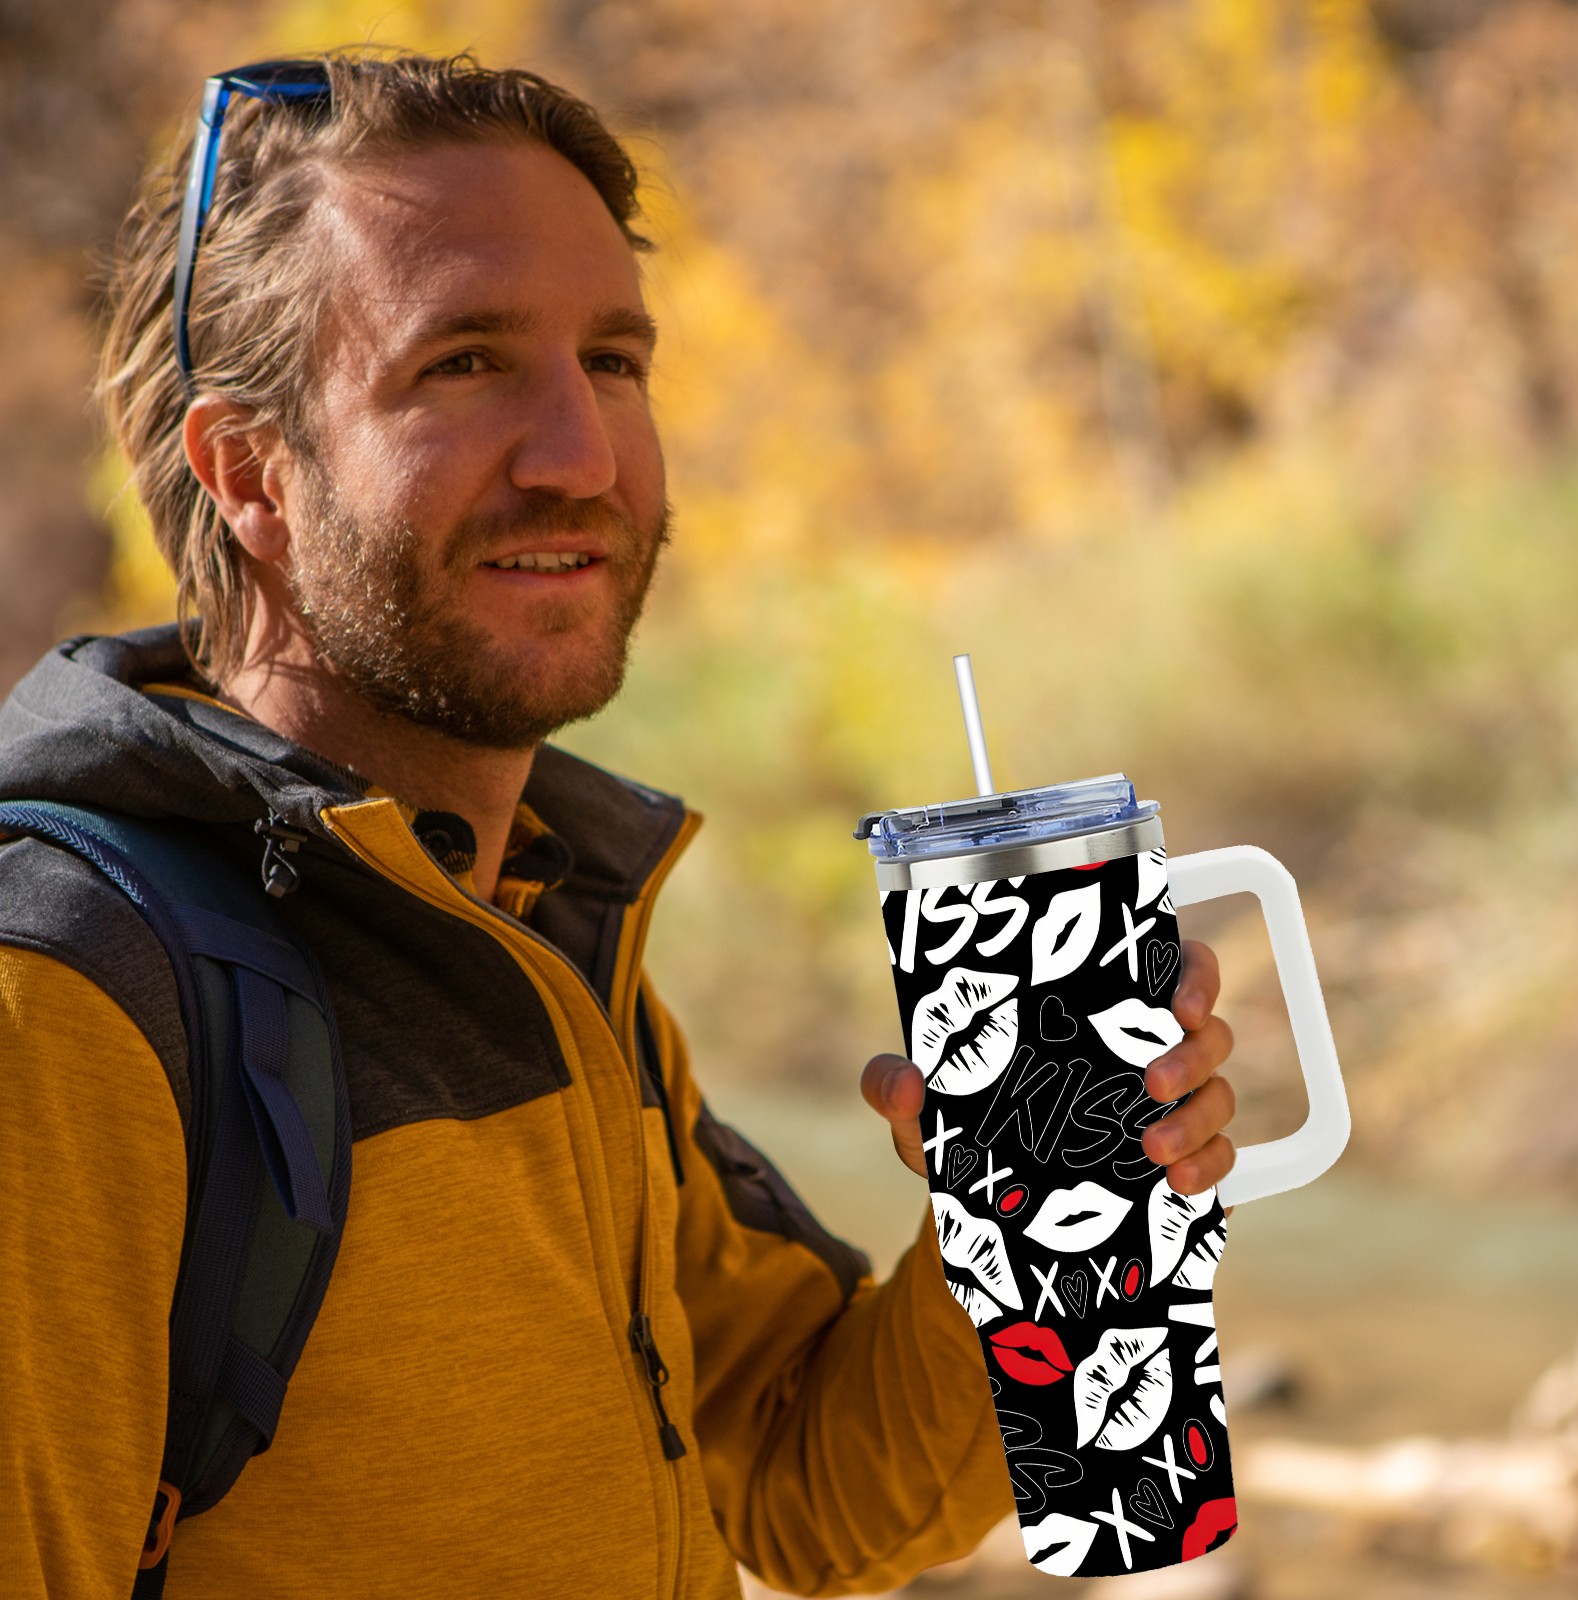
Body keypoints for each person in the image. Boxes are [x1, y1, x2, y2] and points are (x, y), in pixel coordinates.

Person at [0, 51, 1239, 1598]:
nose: (580, 455)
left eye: (614, 360)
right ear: (251, 473)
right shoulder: (70, 997)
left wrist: (1042, 1224)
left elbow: (805, 1487)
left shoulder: (541, 923)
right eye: (463, 363)